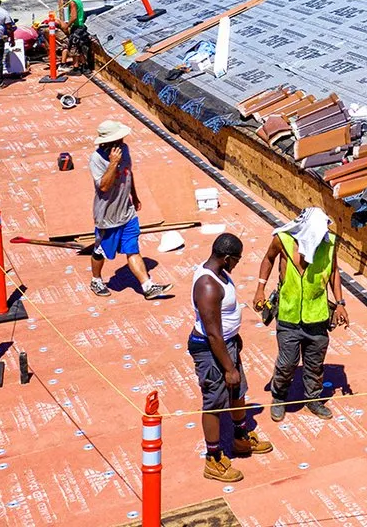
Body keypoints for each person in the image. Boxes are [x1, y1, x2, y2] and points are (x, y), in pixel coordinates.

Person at [190, 232, 273, 483]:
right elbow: (213, 333)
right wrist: (228, 367)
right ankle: (213, 459)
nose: (237, 264)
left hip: (227, 344)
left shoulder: (220, 274)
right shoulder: (207, 285)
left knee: (237, 391)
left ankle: (240, 437)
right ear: (226, 258)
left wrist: (234, 338)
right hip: (211, 349)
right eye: (236, 260)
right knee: (214, 402)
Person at [254, 207, 349, 422]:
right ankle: (279, 397)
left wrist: (341, 303)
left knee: (315, 362)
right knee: (288, 362)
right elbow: (268, 259)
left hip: (317, 315)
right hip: (288, 313)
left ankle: (313, 399)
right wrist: (260, 288)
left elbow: (334, 271)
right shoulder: (283, 240)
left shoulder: (329, 243)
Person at [88, 119, 172, 300]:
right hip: (107, 217)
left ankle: (147, 286)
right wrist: (112, 163)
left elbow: (128, 172)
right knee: (100, 251)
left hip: (127, 213)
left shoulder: (124, 150)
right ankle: (96, 279)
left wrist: (134, 194)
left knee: (132, 249)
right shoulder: (96, 159)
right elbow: (103, 187)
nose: (121, 143)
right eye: (117, 140)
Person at [57, 0, 89, 73]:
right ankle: (84, 66)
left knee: (74, 48)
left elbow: (74, 16)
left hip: (77, 27)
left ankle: (76, 68)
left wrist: (67, 26)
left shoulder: (72, 2)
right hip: (81, 26)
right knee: (79, 48)